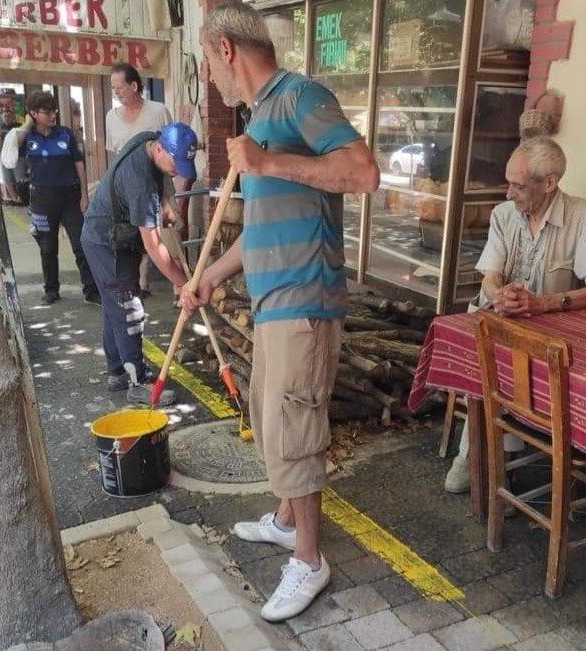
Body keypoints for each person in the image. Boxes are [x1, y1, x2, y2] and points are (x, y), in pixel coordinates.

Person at [182, 0, 379, 623]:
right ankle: (291, 522)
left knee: (293, 428)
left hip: (305, 297)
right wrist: (209, 275)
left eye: (205, 62)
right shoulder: (261, 115)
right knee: (272, 421)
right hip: (272, 302)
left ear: (225, 50)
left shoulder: (299, 97)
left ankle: (310, 561)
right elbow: (260, 226)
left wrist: (268, 162)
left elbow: (363, 171)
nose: (209, 76)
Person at [444, 136, 586, 493]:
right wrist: (500, 293)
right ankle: (479, 453)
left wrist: (540, 304)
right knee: (485, 360)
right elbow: (490, 273)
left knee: (535, 372)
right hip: (496, 317)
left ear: (550, 182)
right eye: (508, 182)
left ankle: (502, 453)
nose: (509, 193)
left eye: (518, 185)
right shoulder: (504, 214)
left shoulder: (585, 216)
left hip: (551, 330)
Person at [82, 123, 196, 403]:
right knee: (127, 307)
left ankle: (117, 372)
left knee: (114, 306)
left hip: (109, 235)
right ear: (159, 149)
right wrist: (185, 283)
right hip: (108, 242)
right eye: (175, 163)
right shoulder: (140, 182)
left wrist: (166, 207)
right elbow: (154, 247)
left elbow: (162, 181)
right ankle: (139, 382)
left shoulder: (147, 139)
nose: (178, 170)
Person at [1, 91, 99, 306]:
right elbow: (10, 151)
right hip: (42, 200)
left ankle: (91, 290)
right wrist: (28, 124)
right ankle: (51, 290)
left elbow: (79, 165)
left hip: (71, 197)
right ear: (34, 114)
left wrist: (84, 195)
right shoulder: (27, 137)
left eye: (54, 110)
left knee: (81, 245)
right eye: (47, 112)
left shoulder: (65, 134)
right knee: (47, 247)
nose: (53, 115)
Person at [106, 63, 174, 300]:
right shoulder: (111, 117)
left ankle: (179, 287)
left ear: (134, 86)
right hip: (127, 190)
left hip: (158, 183)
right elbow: (115, 156)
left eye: (119, 87)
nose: (116, 91)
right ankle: (139, 281)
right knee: (134, 236)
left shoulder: (158, 111)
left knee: (166, 236)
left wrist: (166, 198)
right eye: (112, 87)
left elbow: (171, 153)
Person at [0, 104, 21, 204]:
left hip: (16, 155)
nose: (6, 115)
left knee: (19, 177)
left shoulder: (18, 125)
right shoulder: (0, 127)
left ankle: (20, 197)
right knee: (7, 178)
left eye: (8, 113)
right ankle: (14, 199)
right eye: (4, 113)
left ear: (12, 115)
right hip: (4, 155)